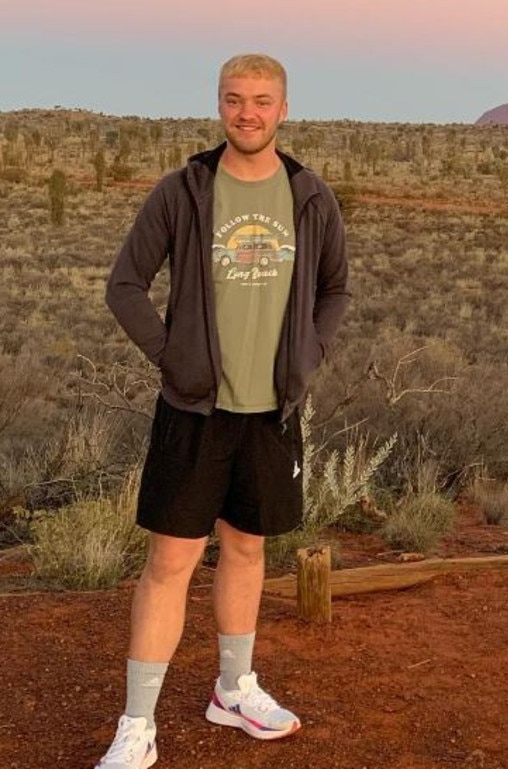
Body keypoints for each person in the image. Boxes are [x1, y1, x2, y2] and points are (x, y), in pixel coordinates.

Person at [95, 53, 349, 769]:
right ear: (219, 106)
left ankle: (233, 689)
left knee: (246, 547)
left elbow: (336, 289)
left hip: (271, 411)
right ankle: (137, 724)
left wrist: (309, 356)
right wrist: (173, 356)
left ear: (284, 109)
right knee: (170, 560)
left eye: (261, 101)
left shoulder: (309, 195)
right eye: (235, 100)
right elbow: (124, 285)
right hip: (194, 408)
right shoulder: (185, 190)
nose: (247, 113)